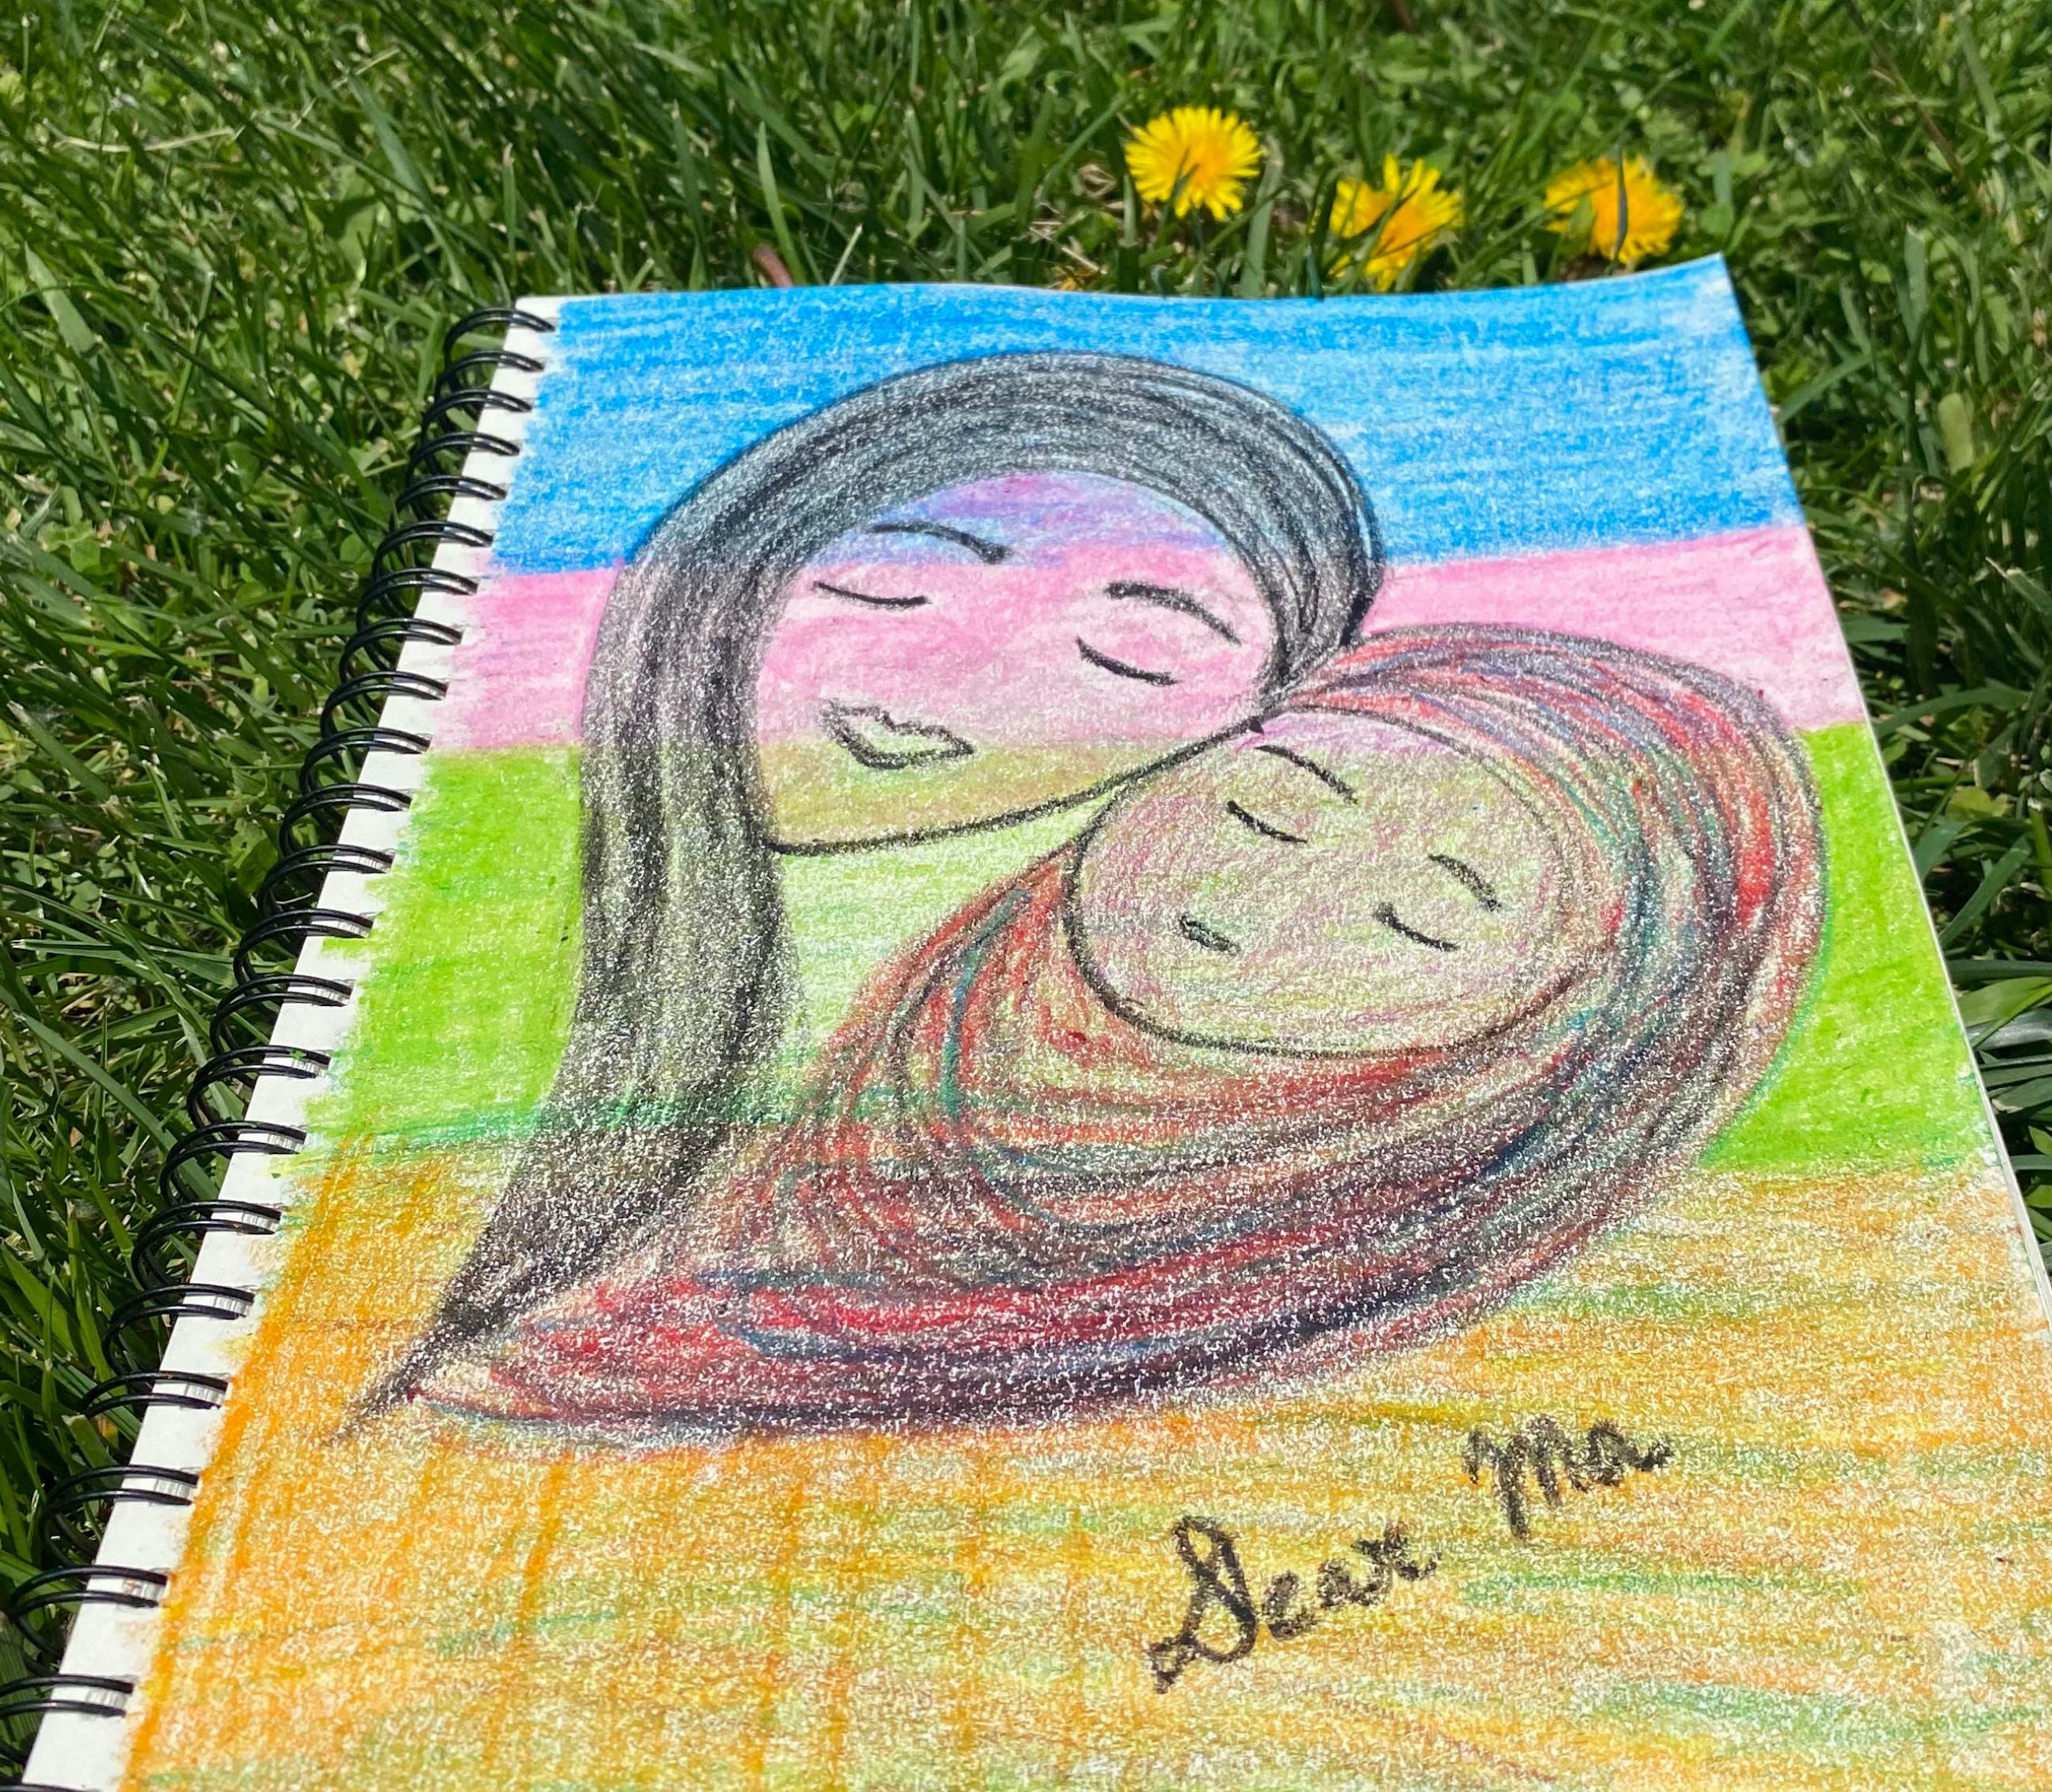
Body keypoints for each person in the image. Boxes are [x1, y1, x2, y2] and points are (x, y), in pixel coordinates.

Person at [406, 625, 1826, 1444]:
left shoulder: (1235, 1349)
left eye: (1427, 918)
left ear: (1543, 1045)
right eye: (1275, 801)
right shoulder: (778, 1048)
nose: (1263, 896)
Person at [355, 352, 1384, 1418]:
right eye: (893, 579)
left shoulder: (1035, 1087)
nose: (953, 672)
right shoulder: (477, 947)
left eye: (1134, 653)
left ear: (1248, 727)